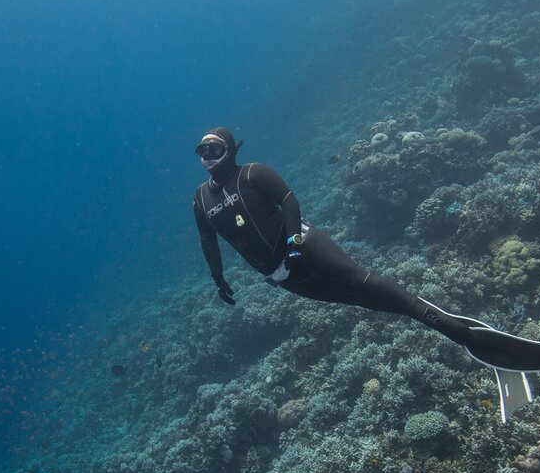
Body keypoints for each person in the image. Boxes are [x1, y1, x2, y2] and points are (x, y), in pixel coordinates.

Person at [191, 127, 483, 348]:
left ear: (230, 150)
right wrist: (218, 278)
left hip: (305, 246)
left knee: (357, 279)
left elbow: (288, 200)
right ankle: (416, 313)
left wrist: (294, 243)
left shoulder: (254, 173)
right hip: (279, 274)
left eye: (214, 150)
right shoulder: (201, 200)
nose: (207, 157)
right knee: (352, 298)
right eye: (202, 151)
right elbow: (208, 241)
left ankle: (451, 329)